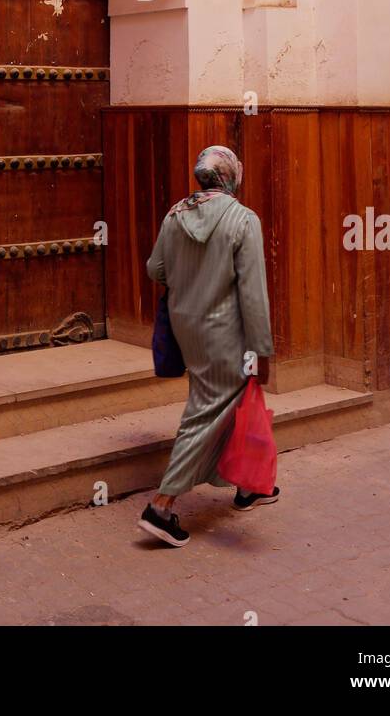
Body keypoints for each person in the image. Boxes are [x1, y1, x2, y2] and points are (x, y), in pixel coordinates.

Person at [138, 144, 277, 547]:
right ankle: (160, 507)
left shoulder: (176, 213)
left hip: (188, 328)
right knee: (207, 412)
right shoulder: (243, 219)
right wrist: (261, 349)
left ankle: (251, 485)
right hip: (226, 335)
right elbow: (253, 294)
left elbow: (155, 268)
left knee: (231, 404)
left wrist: (191, 280)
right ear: (232, 176)